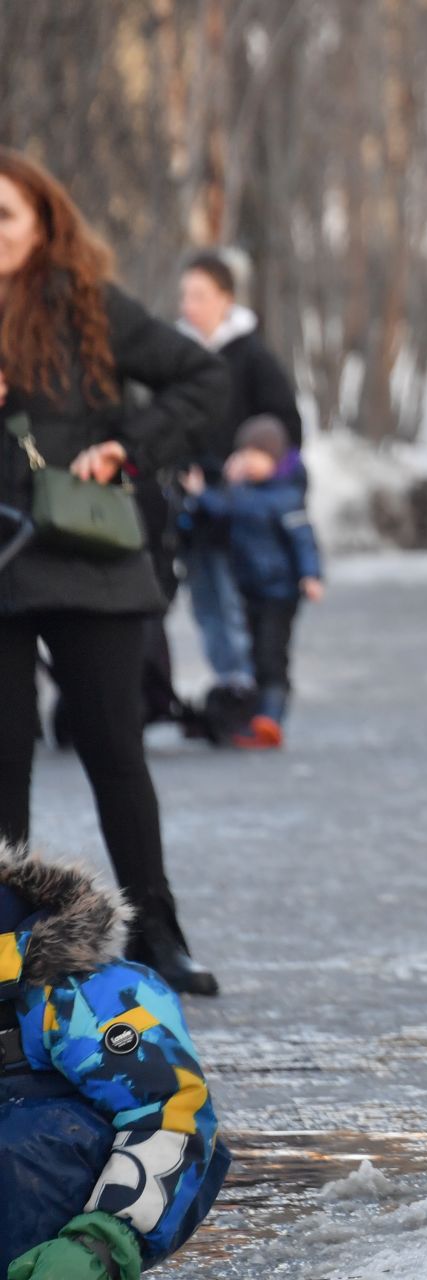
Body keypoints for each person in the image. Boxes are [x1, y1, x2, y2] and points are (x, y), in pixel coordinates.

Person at [0, 149, 225, 996]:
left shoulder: (87, 306)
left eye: (6, 217)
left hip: (84, 555)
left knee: (111, 747)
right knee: (1, 753)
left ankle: (155, 929)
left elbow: (203, 380)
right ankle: (8, 939)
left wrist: (127, 448)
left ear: (44, 224)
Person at [1, 843, 229, 1279]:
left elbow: (171, 1112)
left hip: (69, 1219)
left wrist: (104, 1241)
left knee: (28, 1135)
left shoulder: (86, 993)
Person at [176, 250, 302, 711]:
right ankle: (230, 683)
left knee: (240, 602)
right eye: (185, 295)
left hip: (244, 512)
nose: (189, 305)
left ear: (225, 299)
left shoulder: (252, 356)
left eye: (200, 295)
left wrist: (254, 463)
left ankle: (254, 687)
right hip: (195, 504)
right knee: (206, 601)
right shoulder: (173, 355)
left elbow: (287, 428)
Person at [180, 416, 322, 750]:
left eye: (256, 456)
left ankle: (270, 719)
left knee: (272, 656)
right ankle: (254, 716)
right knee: (254, 654)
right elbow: (221, 509)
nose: (248, 462)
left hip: (280, 593)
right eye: (244, 456)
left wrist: (311, 575)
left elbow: (304, 540)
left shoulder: (284, 497)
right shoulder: (241, 494)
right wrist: (203, 492)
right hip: (250, 590)